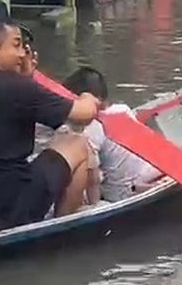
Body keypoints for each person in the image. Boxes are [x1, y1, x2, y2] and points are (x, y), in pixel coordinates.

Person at [0, 18, 101, 234]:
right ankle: (62, 228)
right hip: (3, 211)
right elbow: (82, 116)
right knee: (77, 144)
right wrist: (89, 98)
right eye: (16, 45)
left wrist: (25, 79)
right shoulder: (19, 89)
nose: (23, 54)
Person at [64, 67, 163, 202]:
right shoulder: (123, 110)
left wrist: (93, 204)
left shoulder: (92, 130)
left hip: (117, 195)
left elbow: (92, 179)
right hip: (139, 176)